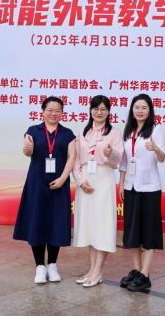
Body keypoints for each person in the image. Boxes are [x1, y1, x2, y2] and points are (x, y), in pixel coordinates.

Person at [13, 96, 76, 284]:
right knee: (37, 222)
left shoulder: (67, 134)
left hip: (59, 185)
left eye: (57, 110)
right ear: (43, 111)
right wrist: (27, 147)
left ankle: (53, 265)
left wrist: (63, 179)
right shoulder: (33, 131)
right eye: (50, 110)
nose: (53, 113)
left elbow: (72, 158)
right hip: (36, 184)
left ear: (62, 113)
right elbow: (28, 151)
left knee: (56, 223)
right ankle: (40, 266)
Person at [72, 95, 123, 287]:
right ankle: (92, 269)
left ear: (109, 112)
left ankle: (98, 271)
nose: (99, 112)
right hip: (86, 180)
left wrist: (111, 154)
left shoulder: (114, 133)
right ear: (90, 110)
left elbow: (118, 160)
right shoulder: (83, 131)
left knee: (103, 226)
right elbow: (76, 160)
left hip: (104, 180)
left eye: (103, 109)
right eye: (95, 108)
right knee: (90, 226)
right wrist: (80, 181)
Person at [118, 93, 165, 292]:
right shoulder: (128, 130)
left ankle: (145, 275)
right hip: (130, 187)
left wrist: (155, 148)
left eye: (144, 108)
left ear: (150, 110)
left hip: (149, 188)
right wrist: (121, 184)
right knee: (132, 232)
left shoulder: (156, 129)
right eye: (137, 107)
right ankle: (137, 271)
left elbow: (163, 157)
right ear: (132, 110)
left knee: (148, 232)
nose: (140, 111)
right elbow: (124, 161)